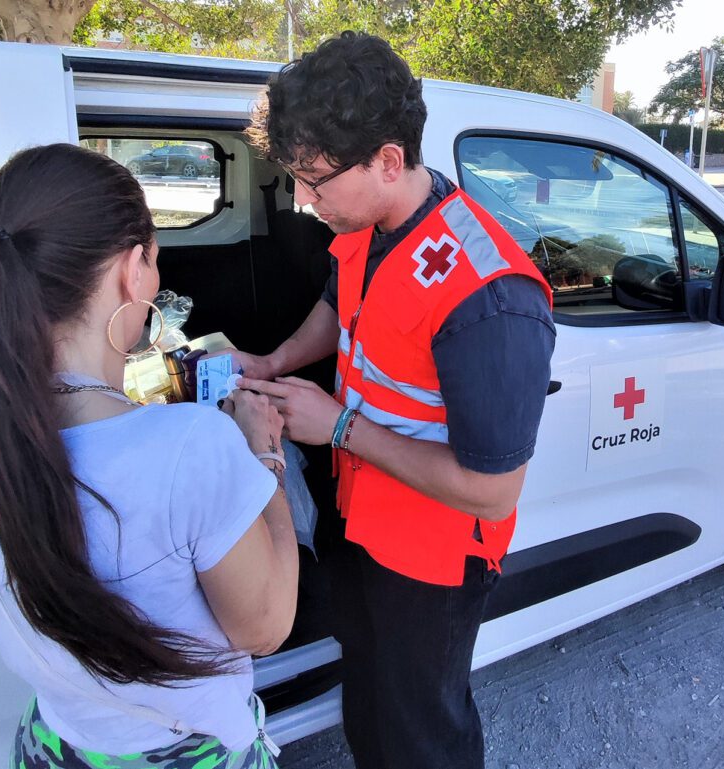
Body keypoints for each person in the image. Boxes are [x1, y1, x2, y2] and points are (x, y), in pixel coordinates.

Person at [0, 143, 297, 769]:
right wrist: (263, 455)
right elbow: (267, 626)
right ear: (131, 270)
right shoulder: (191, 447)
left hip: (54, 746)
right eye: (154, 259)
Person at [240, 32, 556, 769]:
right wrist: (275, 359)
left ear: (387, 158)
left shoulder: (492, 295)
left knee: (424, 729)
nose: (303, 200)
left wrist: (340, 426)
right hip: (363, 521)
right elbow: (338, 298)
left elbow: (493, 488)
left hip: (434, 562)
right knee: (371, 701)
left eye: (314, 180)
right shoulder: (369, 220)